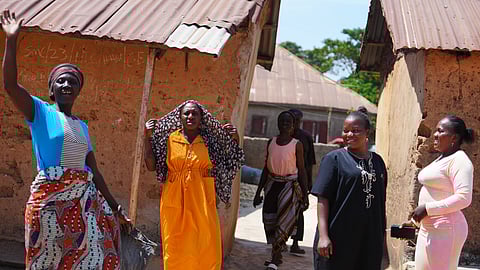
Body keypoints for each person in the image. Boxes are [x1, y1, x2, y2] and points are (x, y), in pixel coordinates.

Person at [0, 9, 130, 269]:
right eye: (61, 81)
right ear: (51, 89)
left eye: (72, 82)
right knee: (47, 261)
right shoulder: (40, 112)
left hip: (82, 204)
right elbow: (10, 85)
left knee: (95, 257)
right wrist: (11, 40)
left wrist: (117, 208)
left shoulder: (82, 127)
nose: (67, 85)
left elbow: (94, 171)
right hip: (48, 206)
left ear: (78, 91)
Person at [143, 100, 245, 269]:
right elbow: (151, 165)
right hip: (174, 201)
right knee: (175, 244)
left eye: (195, 113)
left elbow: (231, 162)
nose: (190, 116)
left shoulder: (211, 142)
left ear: (201, 117)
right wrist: (147, 136)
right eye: (186, 113)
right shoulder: (169, 140)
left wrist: (235, 138)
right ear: (180, 117)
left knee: (206, 244)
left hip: (203, 200)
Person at [312, 108, 387, 270]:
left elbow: (381, 203)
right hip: (339, 236)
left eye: (356, 131)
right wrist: (324, 236)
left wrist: (383, 241)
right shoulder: (334, 159)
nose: (349, 135)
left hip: (369, 239)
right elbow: (323, 198)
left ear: (368, 133)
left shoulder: (378, 162)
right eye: (346, 131)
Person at [410, 115, 474, 270]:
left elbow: (464, 198)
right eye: (436, 131)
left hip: (446, 230)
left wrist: (427, 209)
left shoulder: (459, 161)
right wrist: (415, 220)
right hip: (428, 228)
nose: (435, 135)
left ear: (453, 138)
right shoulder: (442, 159)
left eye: (440, 131)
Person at [253, 111, 308, 270]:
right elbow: (266, 168)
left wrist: (305, 194)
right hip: (272, 184)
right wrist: (258, 192)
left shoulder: (296, 144)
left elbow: (302, 169)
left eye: (288, 122)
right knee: (269, 219)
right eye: (282, 121)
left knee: (283, 221)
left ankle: (275, 258)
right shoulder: (272, 141)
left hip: (288, 186)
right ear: (277, 123)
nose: (285, 124)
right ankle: (276, 254)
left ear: (293, 126)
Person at [288, 108, 316, 255]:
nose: (295, 123)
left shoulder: (306, 137)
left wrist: (308, 184)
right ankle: (278, 242)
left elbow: (309, 162)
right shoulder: (282, 135)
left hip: (300, 179)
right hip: (283, 178)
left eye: (298, 120)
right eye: (293, 120)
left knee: (298, 211)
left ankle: (295, 242)